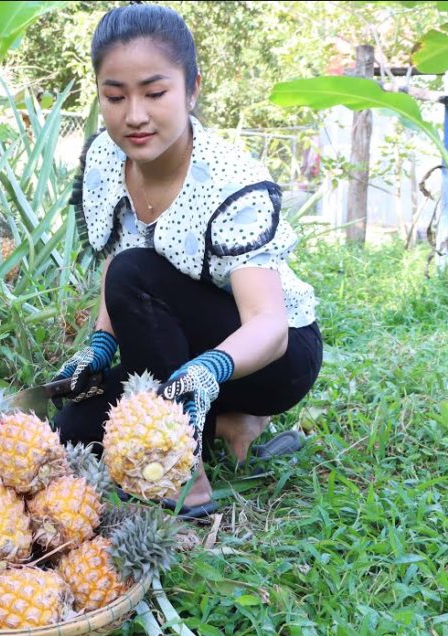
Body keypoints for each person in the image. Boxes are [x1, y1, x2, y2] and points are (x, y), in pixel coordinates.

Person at [53, 3, 323, 520]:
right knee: (71, 432)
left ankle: (187, 477)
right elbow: (117, 258)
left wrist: (209, 370)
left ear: (192, 88)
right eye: (115, 96)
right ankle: (229, 423)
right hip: (176, 348)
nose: (134, 114)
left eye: (155, 93)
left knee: (138, 274)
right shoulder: (107, 161)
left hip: (271, 356)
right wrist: (101, 345)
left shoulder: (228, 178)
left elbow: (270, 325)